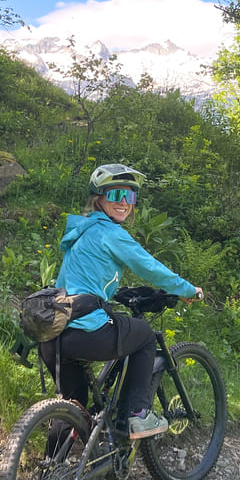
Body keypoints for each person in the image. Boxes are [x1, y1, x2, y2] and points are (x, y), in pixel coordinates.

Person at [46, 162, 203, 439]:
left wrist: (115, 293)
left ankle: (53, 474)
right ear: (99, 198)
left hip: (54, 335)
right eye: (115, 195)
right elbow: (149, 267)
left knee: (75, 407)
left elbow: (76, 281)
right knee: (143, 336)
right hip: (86, 333)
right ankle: (136, 414)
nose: (124, 203)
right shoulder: (111, 233)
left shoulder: (82, 231)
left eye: (130, 196)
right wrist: (187, 289)